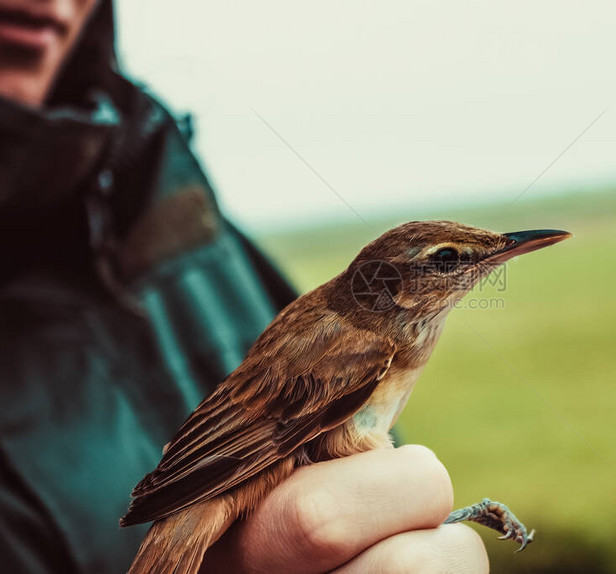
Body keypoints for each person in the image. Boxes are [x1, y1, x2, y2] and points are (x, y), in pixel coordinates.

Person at [0, 1, 489, 572]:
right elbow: (278, 441)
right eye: (449, 261)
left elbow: (347, 487)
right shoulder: (365, 343)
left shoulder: (187, 227)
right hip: (225, 472)